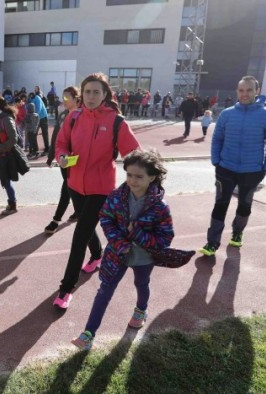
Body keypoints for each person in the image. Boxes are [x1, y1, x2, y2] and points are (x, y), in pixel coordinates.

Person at [53, 73, 140, 310]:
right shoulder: (73, 117)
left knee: (80, 234)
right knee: (85, 222)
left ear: (105, 95)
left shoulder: (116, 122)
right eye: (88, 92)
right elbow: (61, 143)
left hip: (101, 188)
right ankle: (97, 255)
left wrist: (139, 180)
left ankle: (66, 288)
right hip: (74, 183)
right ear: (82, 94)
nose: (91, 96)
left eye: (96, 92)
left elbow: (134, 154)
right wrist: (61, 156)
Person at [71, 149, 173, 350]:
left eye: (139, 176)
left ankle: (141, 310)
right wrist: (120, 242)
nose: (132, 181)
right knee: (104, 291)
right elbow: (106, 218)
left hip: (144, 257)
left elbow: (165, 237)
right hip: (117, 254)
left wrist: (137, 235)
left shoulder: (160, 206)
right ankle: (88, 334)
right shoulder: (117, 196)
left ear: (152, 177)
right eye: (129, 175)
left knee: (141, 283)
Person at [199, 76, 266, 256]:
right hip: (225, 168)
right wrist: (216, 161)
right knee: (220, 205)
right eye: (241, 90)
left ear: (257, 91)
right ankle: (212, 243)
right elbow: (217, 139)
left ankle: (237, 233)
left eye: (249, 90)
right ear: (237, 91)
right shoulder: (227, 114)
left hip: (252, 171)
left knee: (244, 205)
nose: (245, 94)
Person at [44, 86, 81, 235]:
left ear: (76, 98)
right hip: (65, 159)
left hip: (78, 160)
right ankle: (78, 211)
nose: (63, 100)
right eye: (62, 97)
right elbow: (57, 139)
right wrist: (52, 156)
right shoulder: (63, 115)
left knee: (68, 188)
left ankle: (56, 220)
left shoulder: (83, 116)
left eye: (66, 97)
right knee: (70, 188)